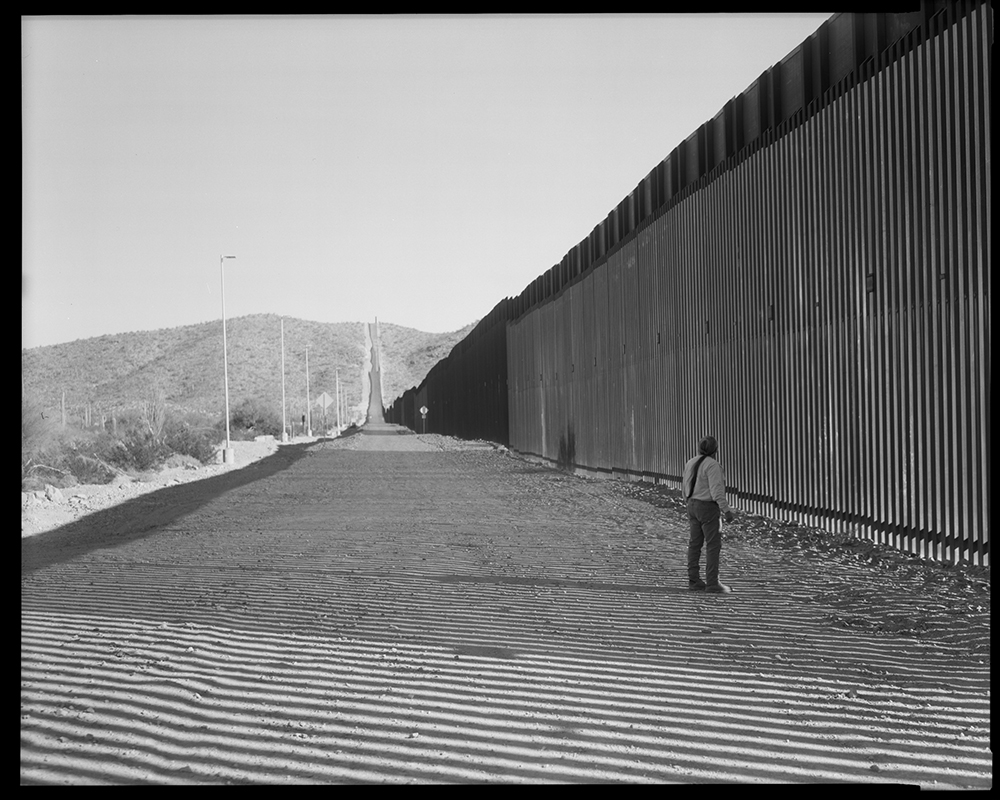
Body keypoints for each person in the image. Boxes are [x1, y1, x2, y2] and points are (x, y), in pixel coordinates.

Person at [683, 435, 735, 593]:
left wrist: (688, 501)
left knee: (695, 544)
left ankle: (694, 580)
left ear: (699, 448)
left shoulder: (690, 462)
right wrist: (726, 510)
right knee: (713, 545)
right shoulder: (713, 466)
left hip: (692, 504)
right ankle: (712, 582)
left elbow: (685, 484)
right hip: (707, 507)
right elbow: (716, 491)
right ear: (716, 450)